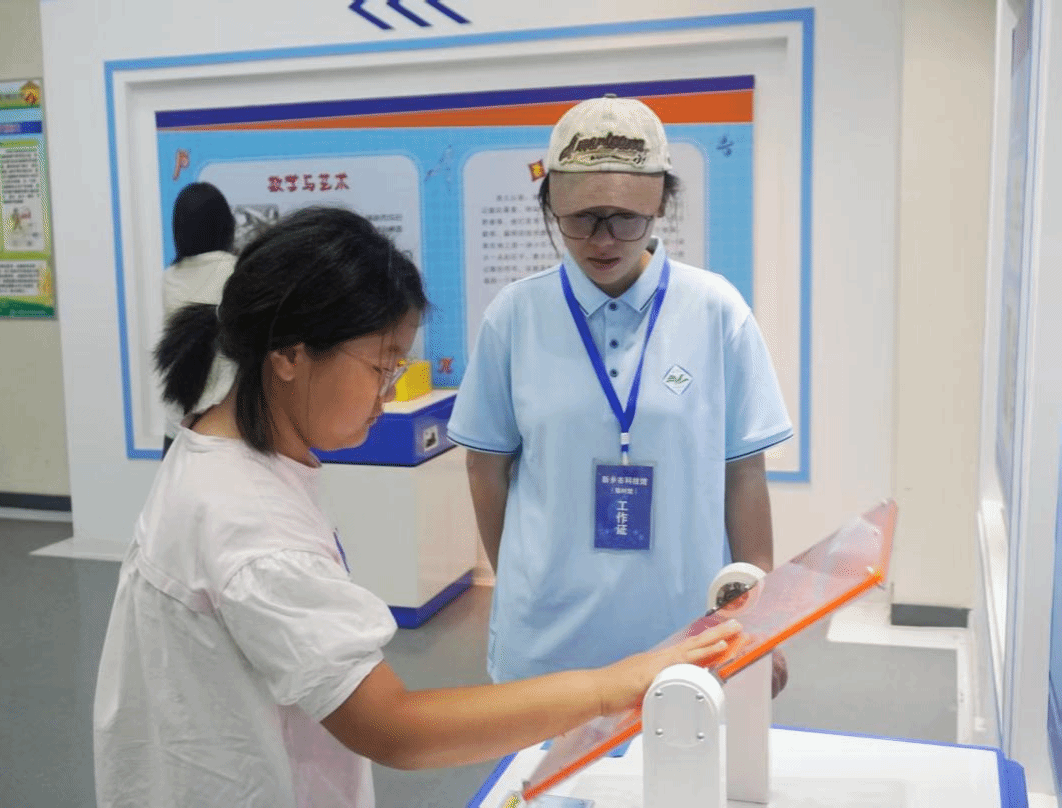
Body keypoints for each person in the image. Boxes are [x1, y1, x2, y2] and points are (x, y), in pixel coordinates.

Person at [93, 206, 740, 808]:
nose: (388, 393)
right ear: (289, 354)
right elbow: (394, 727)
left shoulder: (216, 446)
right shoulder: (250, 528)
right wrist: (611, 686)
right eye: (381, 367)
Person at [448, 95, 793, 690]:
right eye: (581, 219)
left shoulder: (715, 311)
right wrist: (520, 586)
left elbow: (743, 474)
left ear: (660, 206)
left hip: (682, 631)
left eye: (625, 219)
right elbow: (486, 467)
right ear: (552, 206)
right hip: (547, 641)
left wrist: (759, 615)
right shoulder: (515, 316)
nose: (602, 241)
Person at [160, 181, 239, 454]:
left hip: (178, 427)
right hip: (222, 427)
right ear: (225, 225)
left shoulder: (169, 279)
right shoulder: (236, 272)